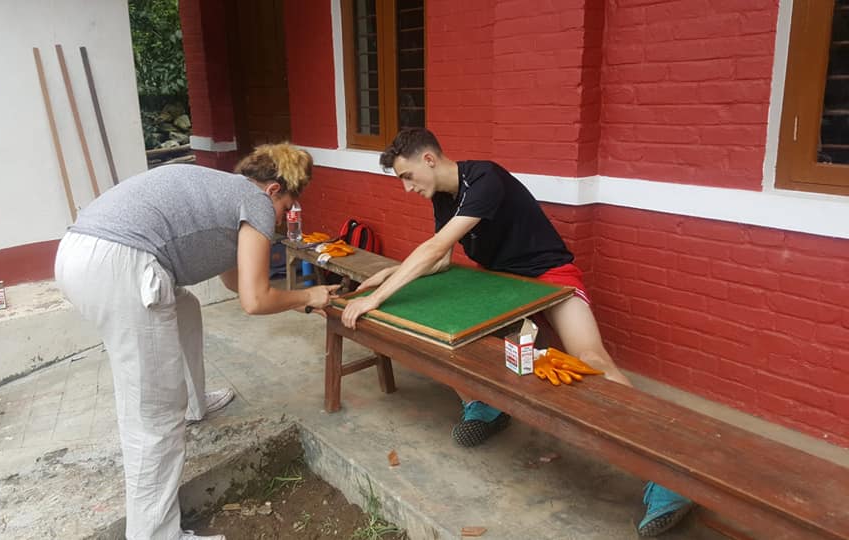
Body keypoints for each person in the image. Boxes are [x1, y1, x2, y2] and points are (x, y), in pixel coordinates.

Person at [340, 128, 692, 537]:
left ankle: (670, 476)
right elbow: (439, 259)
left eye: (406, 176)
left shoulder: (483, 179)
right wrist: (388, 273)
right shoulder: (442, 197)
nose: (406, 188)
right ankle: (485, 406)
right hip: (500, 284)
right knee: (450, 332)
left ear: (429, 160)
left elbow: (436, 250)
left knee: (591, 360)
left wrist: (376, 297)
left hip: (550, 276)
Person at [55, 143, 339, 540]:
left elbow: (235, 281)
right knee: (152, 415)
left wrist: (303, 303)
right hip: (119, 263)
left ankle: (195, 402)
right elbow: (254, 302)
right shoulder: (254, 202)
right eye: (286, 207)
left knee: (183, 305)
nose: (280, 220)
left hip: (78, 251)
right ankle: (155, 535)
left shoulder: (225, 192)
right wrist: (311, 295)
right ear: (274, 190)